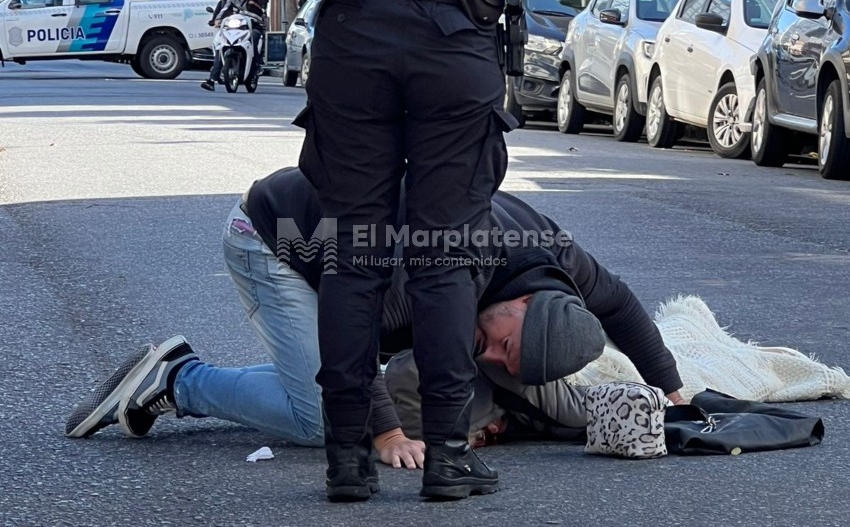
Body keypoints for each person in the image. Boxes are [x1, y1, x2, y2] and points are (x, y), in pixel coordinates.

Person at [65, 167, 685, 479]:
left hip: (351, 248)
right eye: (501, 344)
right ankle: (179, 379)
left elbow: (622, 305)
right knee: (328, 420)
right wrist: (387, 433)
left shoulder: (557, 261)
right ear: (518, 305)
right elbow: (352, 329)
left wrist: (669, 388)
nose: (489, 359)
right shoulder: (433, 265)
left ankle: (230, 378)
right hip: (273, 237)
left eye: (505, 361)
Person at [305, 0, 515, 502]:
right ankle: (446, 453)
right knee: (444, 254)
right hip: (454, 31)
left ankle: (347, 459)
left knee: (351, 253)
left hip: (354, 28)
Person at [203, 0, 265, 91]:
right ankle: (212, 79)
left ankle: (256, 66)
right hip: (236, 28)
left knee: (255, 36)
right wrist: (217, 20)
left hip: (253, 26)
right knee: (220, 44)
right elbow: (224, 9)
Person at [201, 0, 236, 91]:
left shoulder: (241, 1)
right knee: (217, 47)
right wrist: (214, 21)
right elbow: (216, 17)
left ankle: (255, 67)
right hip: (225, 31)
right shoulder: (221, 4)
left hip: (241, 31)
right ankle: (212, 79)